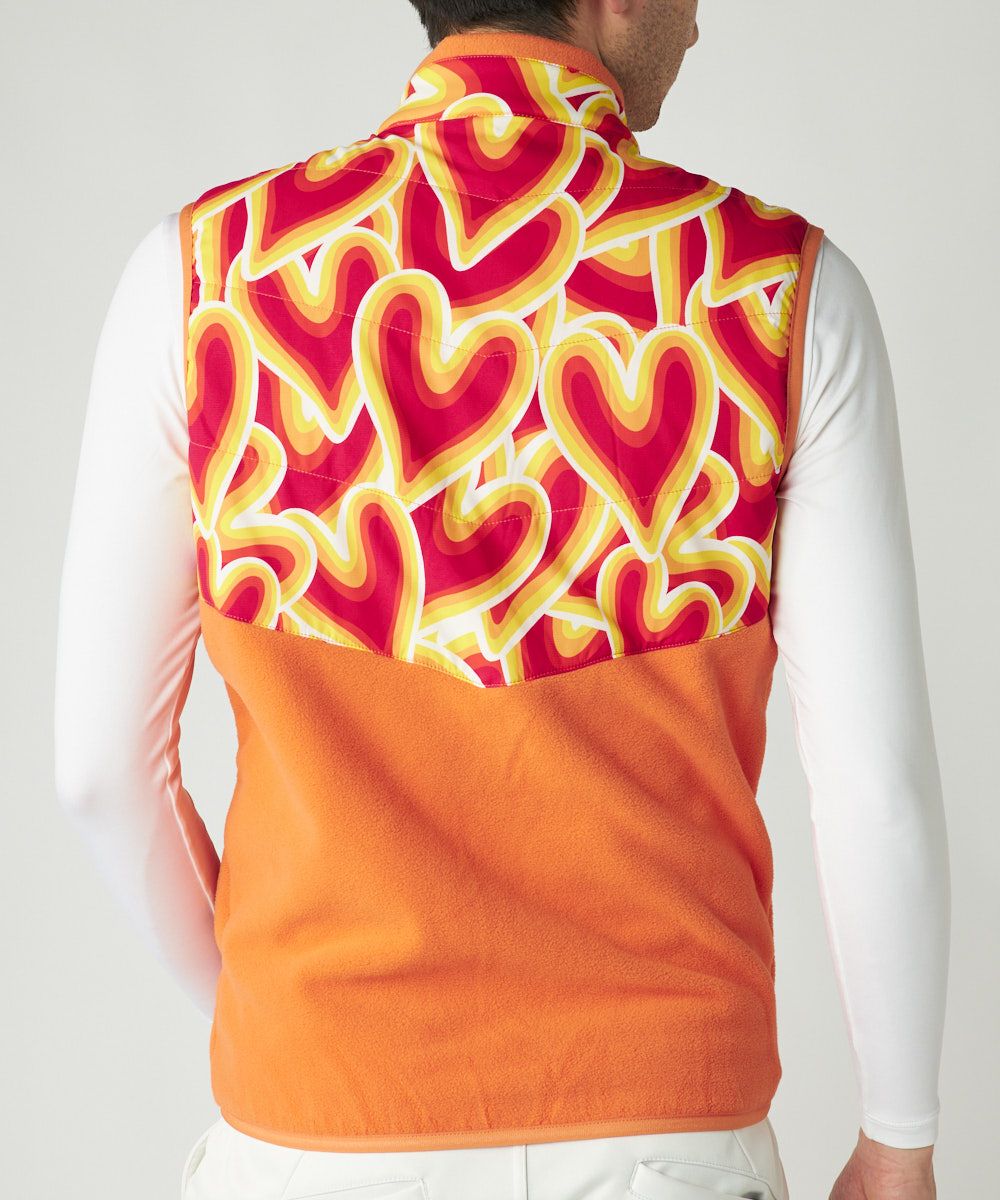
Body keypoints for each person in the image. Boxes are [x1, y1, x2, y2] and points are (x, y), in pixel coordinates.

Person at [53, 1, 950, 1197]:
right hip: (662, 1133)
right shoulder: (778, 291)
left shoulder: (204, 275)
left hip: (312, 1140)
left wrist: (292, 1026)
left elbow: (99, 770)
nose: (696, 25)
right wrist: (897, 1138)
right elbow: (874, 787)